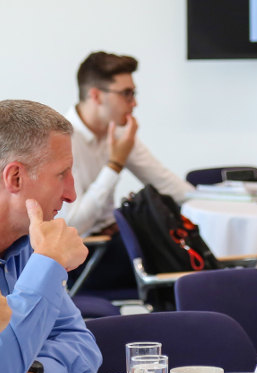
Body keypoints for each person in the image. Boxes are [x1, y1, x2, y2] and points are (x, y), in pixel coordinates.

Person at [60, 52, 195, 289]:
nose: (134, 103)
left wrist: (214, 200)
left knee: (188, 245)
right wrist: (115, 164)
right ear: (96, 95)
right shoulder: (63, 139)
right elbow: (73, 225)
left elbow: (166, 183)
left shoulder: (118, 132)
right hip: (87, 254)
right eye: (126, 94)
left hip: (116, 241)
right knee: (180, 259)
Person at [0, 100, 101, 373]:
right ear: (15, 178)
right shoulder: (44, 251)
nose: (71, 194)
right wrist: (48, 262)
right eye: (61, 174)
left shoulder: (29, 243)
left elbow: (81, 345)